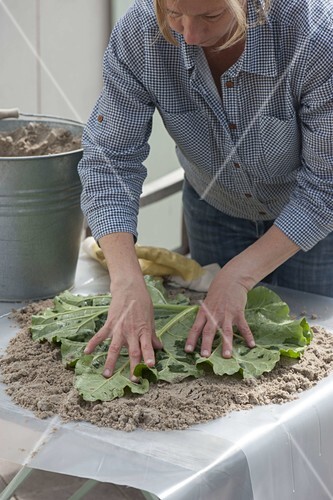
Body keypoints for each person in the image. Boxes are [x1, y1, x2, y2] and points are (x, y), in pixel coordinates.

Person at [78, 0, 333, 380]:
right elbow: (109, 158)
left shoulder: (316, 37)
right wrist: (126, 280)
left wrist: (240, 276)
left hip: (316, 225)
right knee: (219, 353)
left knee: (312, 357)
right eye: (174, 14)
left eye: (212, 16)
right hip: (215, 208)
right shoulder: (140, 33)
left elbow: (326, 185)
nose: (190, 36)